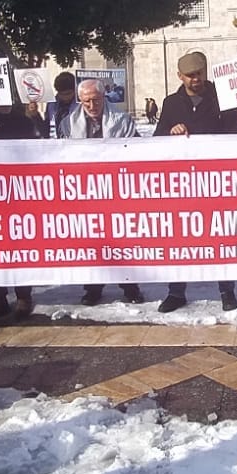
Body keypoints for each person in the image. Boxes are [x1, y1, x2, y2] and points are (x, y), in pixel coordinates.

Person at [154, 51, 237, 313]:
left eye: (199, 74)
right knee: (179, 237)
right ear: (180, 77)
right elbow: (154, 142)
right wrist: (170, 132)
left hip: (217, 180)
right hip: (182, 183)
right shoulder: (170, 103)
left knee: (220, 235)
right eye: (190, 76)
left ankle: (227, 290)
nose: (195, 79)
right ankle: (176, 292)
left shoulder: (224, 97)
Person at [62, 79, 144, 306]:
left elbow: (137, 150)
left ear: (103, 98)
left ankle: (130, 286)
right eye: (86, 101)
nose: (91, 105)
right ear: (80, 101)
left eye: (96, 100)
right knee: (91, 242)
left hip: (117, 190)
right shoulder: (68, 124)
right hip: (86, 192)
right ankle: (92, 288)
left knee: (121, 241)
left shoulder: (122, 120)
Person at [0, 99, 42, 320]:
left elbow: (40, 142)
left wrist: (35, 116)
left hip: (19, 190)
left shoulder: (22, 120)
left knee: (20, 244)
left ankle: (23, 297)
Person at [27, 71, 79, 138]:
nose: (65, 97)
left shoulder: (81, 104)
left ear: (75, 90)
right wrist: (35, 115)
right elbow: (45, 131)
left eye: (68, 94)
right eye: (61, 94)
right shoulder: (52, 105)